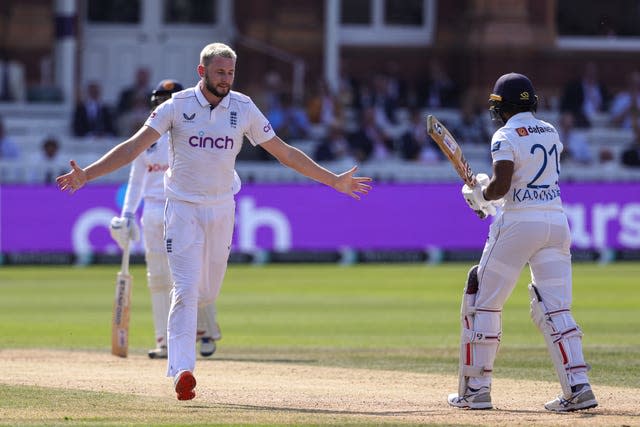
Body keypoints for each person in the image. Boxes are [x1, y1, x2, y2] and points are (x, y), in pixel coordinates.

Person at [56, 42, 372, 401]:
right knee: (186, 290)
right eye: (220, 72)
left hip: (222, 208)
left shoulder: (243, 107)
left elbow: (284, 152)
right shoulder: (176, 106)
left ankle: (189, 346)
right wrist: (89, 175)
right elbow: (133, 146)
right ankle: (182, 371)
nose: (226, 79)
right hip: (182, 208)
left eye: (231, 73)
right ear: (202, 72)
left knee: (208, 293)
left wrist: (333, 180)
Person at [448, 73, 597, 412]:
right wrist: (489, 199)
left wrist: (480, 196)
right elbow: (527, 183)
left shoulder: (504, 134)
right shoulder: (550, 130)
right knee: (555, 308)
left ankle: (476, 390)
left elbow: (501, 186)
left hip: (518, 225)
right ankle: (579, 387)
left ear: (503, 107)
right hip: (556, 223)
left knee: (481, 300)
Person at [109, 79, 239, 359]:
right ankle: (164, 341)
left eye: (166, 99)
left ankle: (204, 331)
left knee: (192, 274)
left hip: (184, 208)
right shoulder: (148, 138)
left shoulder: (193, 132)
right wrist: (128, 215)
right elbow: (136, 181)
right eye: (159, 99)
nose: (161, 104)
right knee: (158, 279)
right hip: (154, 214)